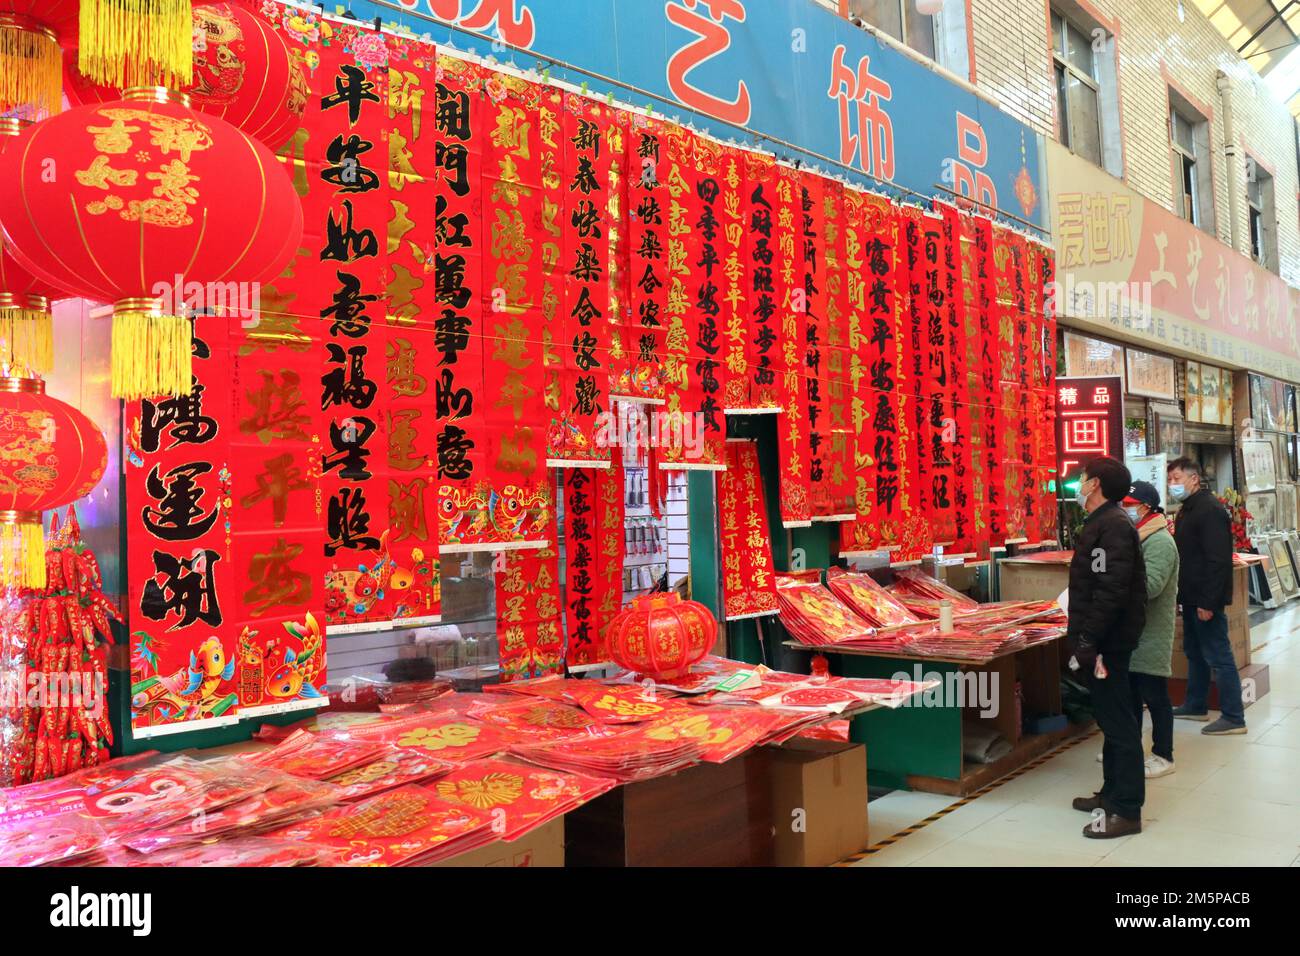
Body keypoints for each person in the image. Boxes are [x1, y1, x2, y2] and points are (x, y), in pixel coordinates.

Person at [1067, 456, 1147, 838]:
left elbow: (1110, 591)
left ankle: (1127, 810)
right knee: (1112, 718)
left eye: (1082, 478)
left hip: (1108, 643)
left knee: (1118, 722)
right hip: (1104, 639)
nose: (1079, 484)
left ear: (1095, 483)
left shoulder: (1111, 527)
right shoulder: (1103, 523)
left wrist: (1088, 639)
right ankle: (1111, 793)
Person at [1166, 457, 1246, 735]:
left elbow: (1217, 560)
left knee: (1218, 655)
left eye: (1177, 478)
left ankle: (1234, 717)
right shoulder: (1187, 509)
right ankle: (1196, 704)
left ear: (1194, 479)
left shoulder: (1210, 510)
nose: (1172, 484)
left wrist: (1209, 602)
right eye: (1170, 479)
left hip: (1204, 597)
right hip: (1190, 595)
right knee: (1194, 651)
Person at [1122, 481, 1180, 778]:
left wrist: (1118, 581)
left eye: (1131, 505)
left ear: (1146, 507)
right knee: (1131, 693)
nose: (1126, 509)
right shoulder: (1139, 535)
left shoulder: (1158, 540)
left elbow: (1153, 586)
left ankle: (1163, 754)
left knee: (1155, 696)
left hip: (1151, 632)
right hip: (1134, 631)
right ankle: (1130, 746)